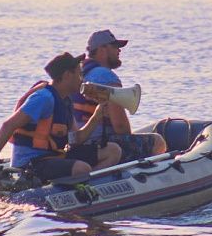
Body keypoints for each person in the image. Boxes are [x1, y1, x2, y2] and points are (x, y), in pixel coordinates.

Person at [0, 52, 122, 181]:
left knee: (113, 151)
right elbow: (8, 125)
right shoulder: (43, 98)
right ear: (67, 75)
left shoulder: (66, 100)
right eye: (79, 74)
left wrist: (97, 116)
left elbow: (77, 139)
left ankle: (85, 183)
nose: (82, 79)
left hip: (55, 156)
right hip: (31, 163)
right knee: (81, 168)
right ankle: (81, 182)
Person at [71, 29, 167, 163]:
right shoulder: (106, 76)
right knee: (157, 141)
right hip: (101, 143)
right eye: (115, 47)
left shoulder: (77, 74)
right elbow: (120, 127)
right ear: (102, 50)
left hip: (78, 142)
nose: (119, 51)